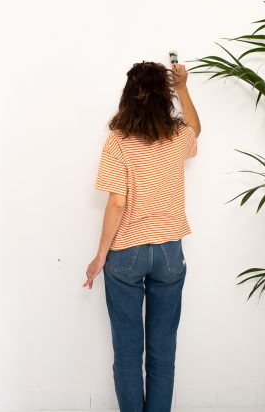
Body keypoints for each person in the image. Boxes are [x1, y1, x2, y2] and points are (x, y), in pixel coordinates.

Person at [84, 61, 200, 412]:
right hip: (169, 252)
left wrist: (100, 256)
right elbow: (196, 128)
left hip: (126, 254)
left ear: (128, 96)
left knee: (127, 351)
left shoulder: (118, 142)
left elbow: (117, 203)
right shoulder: (178, 136)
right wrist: (183, 87)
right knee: (163, 350)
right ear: (165, 96)